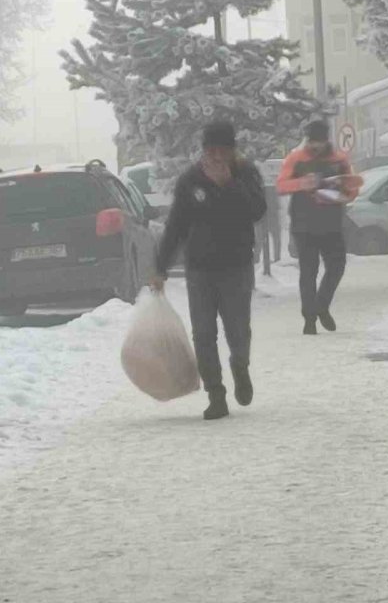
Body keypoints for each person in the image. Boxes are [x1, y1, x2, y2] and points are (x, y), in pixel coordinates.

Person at [150, 120, 267, 420]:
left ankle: (240, 368)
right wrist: (161, 266)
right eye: (210, 151)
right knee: (203, 334)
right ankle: (216, 394)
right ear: (203, 151)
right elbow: (176, 225)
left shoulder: (245, 174)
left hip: (236, 266)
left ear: (232, 152)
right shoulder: (191, 180)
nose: (215, 157)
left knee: (238, 330)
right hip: (200, 269)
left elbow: (257, 210)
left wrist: (229, 184)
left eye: (222, 151)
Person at [277, 120, 363, 335]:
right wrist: (301, 184)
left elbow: (351, 189)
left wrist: (346, 190)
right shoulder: (295, 159)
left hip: (331, 223)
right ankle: (309, 319)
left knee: (337, 266)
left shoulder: (339, 159)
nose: (315, 146)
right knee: (308, 271)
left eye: (320, 142)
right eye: (312, 142)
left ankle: (321, 306)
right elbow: (281, 185)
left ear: (327, 140)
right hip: (303, 224)